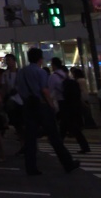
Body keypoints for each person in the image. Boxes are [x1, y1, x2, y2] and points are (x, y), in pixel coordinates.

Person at [15, 46, 79, 175]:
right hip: (41, 105)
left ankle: (31, 167)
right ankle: (68, 163)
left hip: (28, 105)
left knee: (30, 138)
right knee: (54, 136)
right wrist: (51, 105)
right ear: (40, 59)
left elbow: (18, 88)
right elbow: (44, 90)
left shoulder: (21, 72)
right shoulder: (41, 72)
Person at [49, 58, 90, 154]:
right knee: (66, 125)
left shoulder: (53, 77)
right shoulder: (66, 75)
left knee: (68, 125)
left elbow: (50, 91)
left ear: (54, 65)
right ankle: (59, 144)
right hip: (71, 103)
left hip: (62, 103)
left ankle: (58, 145)